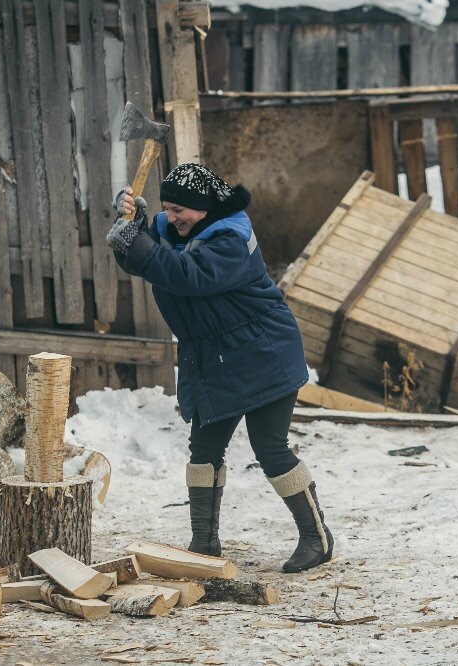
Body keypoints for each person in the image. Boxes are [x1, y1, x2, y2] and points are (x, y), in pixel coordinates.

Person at [107, 163, 333, 573]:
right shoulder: (175, 230)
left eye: (180, 210)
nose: (173, 218)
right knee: (204, 451)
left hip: (264, 353)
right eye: (166, 209)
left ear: (203, 208)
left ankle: (316, 537)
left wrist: (138, 243)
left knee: (270, 448)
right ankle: (204, 544)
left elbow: (187, 275)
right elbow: (145, 261)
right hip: (214, 356)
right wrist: (133, 226)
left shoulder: (231, 238)